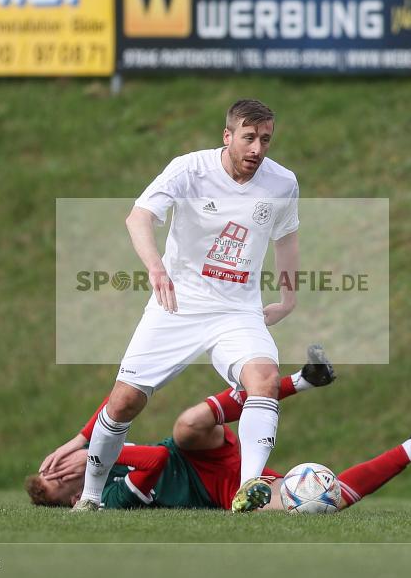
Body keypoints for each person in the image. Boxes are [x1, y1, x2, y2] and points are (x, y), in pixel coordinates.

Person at [45, 99, 301, 512]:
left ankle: (248, 488)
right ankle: (90, 497)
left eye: (266, 140)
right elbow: (139, 217)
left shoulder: (282, 183)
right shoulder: (189, 170)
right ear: (228, 136)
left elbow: (286, 238)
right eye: (249, 138)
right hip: (177, 305)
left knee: (265, 379)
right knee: (124, 402)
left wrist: (288, 299)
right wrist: (156, 268)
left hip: (236, 312)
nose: (257, 149)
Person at [28, 349, 411, 511]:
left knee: (187, 424)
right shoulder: (106, 499)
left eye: (54, 466)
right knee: (314, 502)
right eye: (58, 480)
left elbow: (117, 407)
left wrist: (82, 441)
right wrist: (94, 456)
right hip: (221, 491)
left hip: (198, 451)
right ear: (69, 500)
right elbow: (154, 461)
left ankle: (300, 381)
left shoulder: (97, 461)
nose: (62, 470)